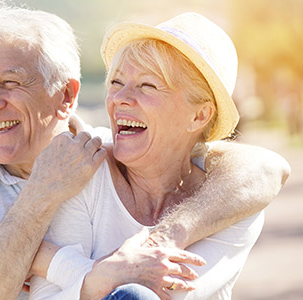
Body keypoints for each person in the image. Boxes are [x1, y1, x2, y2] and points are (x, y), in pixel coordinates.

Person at [0, 2, 291, 300]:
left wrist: (53, 259)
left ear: (67, 96)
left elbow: (264, 167)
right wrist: (41, 198)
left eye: (9, 83)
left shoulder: (100, 163)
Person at [27, 12, 288, 300]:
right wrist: (98, 274)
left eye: (147, 85)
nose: (120, 98)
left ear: (199, 115)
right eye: (116, 82)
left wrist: (54, 263)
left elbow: (167, 292)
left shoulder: (231, 202)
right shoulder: (87, 169)